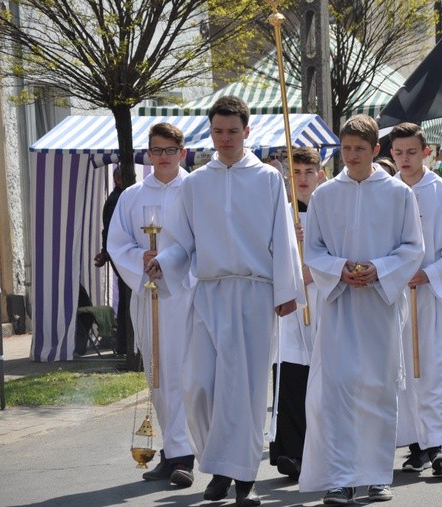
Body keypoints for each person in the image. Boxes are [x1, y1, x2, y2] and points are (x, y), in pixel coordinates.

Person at [145, 96, 303, 506]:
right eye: (218, 131)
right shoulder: (196, 183)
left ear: (247, 132)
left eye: (233, 131)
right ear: (210, 133)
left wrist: (286, 291)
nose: (225, 138)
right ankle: (218, 462)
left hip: (254, 292)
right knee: (199, 386)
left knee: (245, 391)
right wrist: (164, 261)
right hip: (210, 292)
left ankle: (239, 475)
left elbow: (283, 240)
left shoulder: (268, 179)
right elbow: (183, 242)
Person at [299, 114, 424, 504]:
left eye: (358, 149)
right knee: (336, 390)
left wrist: (379, 269)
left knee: (377, 386)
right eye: (345, 148)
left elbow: (412, 247)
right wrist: (339, 269)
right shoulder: (324, 195)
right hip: (338, 304)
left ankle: (375, 475)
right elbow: (313, 249)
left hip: (379, 306)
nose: (350, 156)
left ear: (375, 150)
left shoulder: (398, 193)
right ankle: (339, 478)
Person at [107, 123, 196, 487]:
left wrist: (171, 262)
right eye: (156, 151)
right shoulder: (131, 196)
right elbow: (116, 244)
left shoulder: (195, 190)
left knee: (183, 375)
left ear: (182, 152)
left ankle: (185, 452)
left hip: (185, 295)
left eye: (170, 150)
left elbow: (202, 242)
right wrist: (141, 257)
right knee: (156, 375)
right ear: (147, 154)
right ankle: (173, 452)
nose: (163, 157)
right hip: (149, 294)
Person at [389, 123, 442, 476]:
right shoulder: (386, 193)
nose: (404, 159)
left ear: (426, 153)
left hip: (435, 297)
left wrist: (431, 274)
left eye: (411, 152)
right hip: (396, 298)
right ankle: (416, 444)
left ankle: (440, 443)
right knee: (403, 373)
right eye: (398, 152)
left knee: (434, 370)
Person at [269, 147, 325, 480]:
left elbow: (341, 249)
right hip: (292, 304)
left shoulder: (329, 209)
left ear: (319, 173)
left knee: (321, 378)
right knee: (289, 375)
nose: (302, 179)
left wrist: (312, 269)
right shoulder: (281, 214)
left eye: (308, 172)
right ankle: (290, 450)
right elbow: (268, 253)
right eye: (296, 173)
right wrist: (291, 257)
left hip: (323, 301)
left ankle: (319, 449)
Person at [93, 166, 129, 354]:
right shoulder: (116, 200)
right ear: (117, 179)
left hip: (119, 253)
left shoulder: (121, 198)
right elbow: (110, 231)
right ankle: (124, 344)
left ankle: (125, 344)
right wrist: (106, 253)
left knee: (126, 299)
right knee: (126, 299)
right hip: (120, 254)